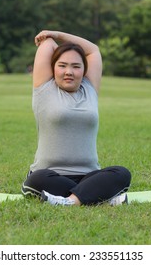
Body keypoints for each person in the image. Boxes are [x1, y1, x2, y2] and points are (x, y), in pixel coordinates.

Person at [21, 30, 131, 206]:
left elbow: (93, 50)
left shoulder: (90, 89)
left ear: (84, 70)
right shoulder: (45, 89)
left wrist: (59, 34)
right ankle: (97, 197)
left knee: (122, 174)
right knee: (38, 178)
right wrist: (52, 37)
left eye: (76, 66)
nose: (69, 72)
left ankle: (70, 201)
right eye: (62, 65)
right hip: (51, 175)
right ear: (53, 67)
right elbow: (47, 43)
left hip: (88, 176)